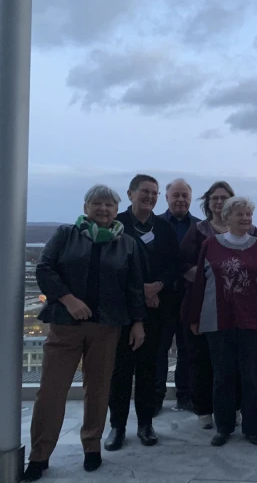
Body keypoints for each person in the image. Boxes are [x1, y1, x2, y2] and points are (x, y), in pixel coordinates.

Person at [22, 185, 147, 481]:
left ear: (117, 211)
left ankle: (92, 447)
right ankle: (40, 455)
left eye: (109, 205)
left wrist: (138, 322)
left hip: (107, 326)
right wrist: (68, 299)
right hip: (66, 325)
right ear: (86, 206)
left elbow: (133, 286)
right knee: (51, 391)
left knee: (99, 389)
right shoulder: (66, 234)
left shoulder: (126, 243)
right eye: (97, 204)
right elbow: (45, 269)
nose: (103, 209)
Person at [186, 196, 257, 447]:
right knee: (222, 377)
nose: (246, 218)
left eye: (249, 214)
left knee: (251, 377)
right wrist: (194, 317)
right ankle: (224, 427)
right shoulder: (210, 245)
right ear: (226, 217)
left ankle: (251, 427)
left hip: (253, 321)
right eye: (240, 214)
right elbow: (200, 284)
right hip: (218, 321)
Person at [105, 174, 180, 451]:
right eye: (144, 192)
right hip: (123, 311)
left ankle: (146, 424)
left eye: (154, 193)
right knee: (120, 371)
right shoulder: (117, 225)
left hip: (157, 309)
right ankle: (117, 427)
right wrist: (141, 291)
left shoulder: (164, 227)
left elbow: (175, 264)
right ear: (130, 193)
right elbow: (110, 266)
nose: (150, 197)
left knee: (150, 369)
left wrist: (156, 287)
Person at [180, 181, 257, 429]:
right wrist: (211, 280)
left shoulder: (253, 233)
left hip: (240, 310)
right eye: (214, 198)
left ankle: (234, 410)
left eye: (223, 198)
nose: (218, 202)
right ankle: (205, 409)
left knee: (236, 366)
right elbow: (182, 263)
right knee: (203, 361)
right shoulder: (199, 232)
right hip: (205, 304)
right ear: (208, 202)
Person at [155, 178, 199, 413]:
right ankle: (156, 397)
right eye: (176, 195)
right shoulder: (155, 224)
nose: (181, 200)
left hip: (189, 297)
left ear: (190, 199)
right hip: (161, 298)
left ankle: (186, 395)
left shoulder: (200, 226)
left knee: (188, 349)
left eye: (185, 196)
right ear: (167, 198)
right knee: (159, 350)